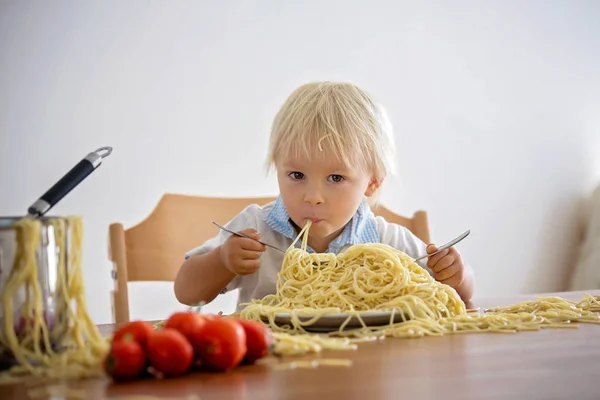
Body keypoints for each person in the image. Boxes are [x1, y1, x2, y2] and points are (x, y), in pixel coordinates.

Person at [174, 81, 474, 311]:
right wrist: (222, 261)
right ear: (278, 170)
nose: (313, 196)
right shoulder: (255, 229)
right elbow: (186, 291)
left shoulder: (388, 243)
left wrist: (457, 276)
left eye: (335, 178)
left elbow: (459, 297)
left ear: (372, 182)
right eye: (297, 176)